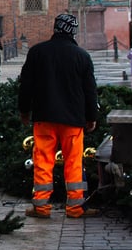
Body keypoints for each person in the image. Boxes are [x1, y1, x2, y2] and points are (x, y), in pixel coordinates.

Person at [18, 13, 99, 219]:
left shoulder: (37, 52)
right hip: (73, 119)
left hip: (44, 116)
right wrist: (91, 116)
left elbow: (25, 86)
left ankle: (42, 207)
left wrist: (24, 110)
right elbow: (90, 91)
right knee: (73, 162)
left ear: (55, 28)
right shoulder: (82, 56)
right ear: (74, 31)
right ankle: (75, 207)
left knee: (43, 161)